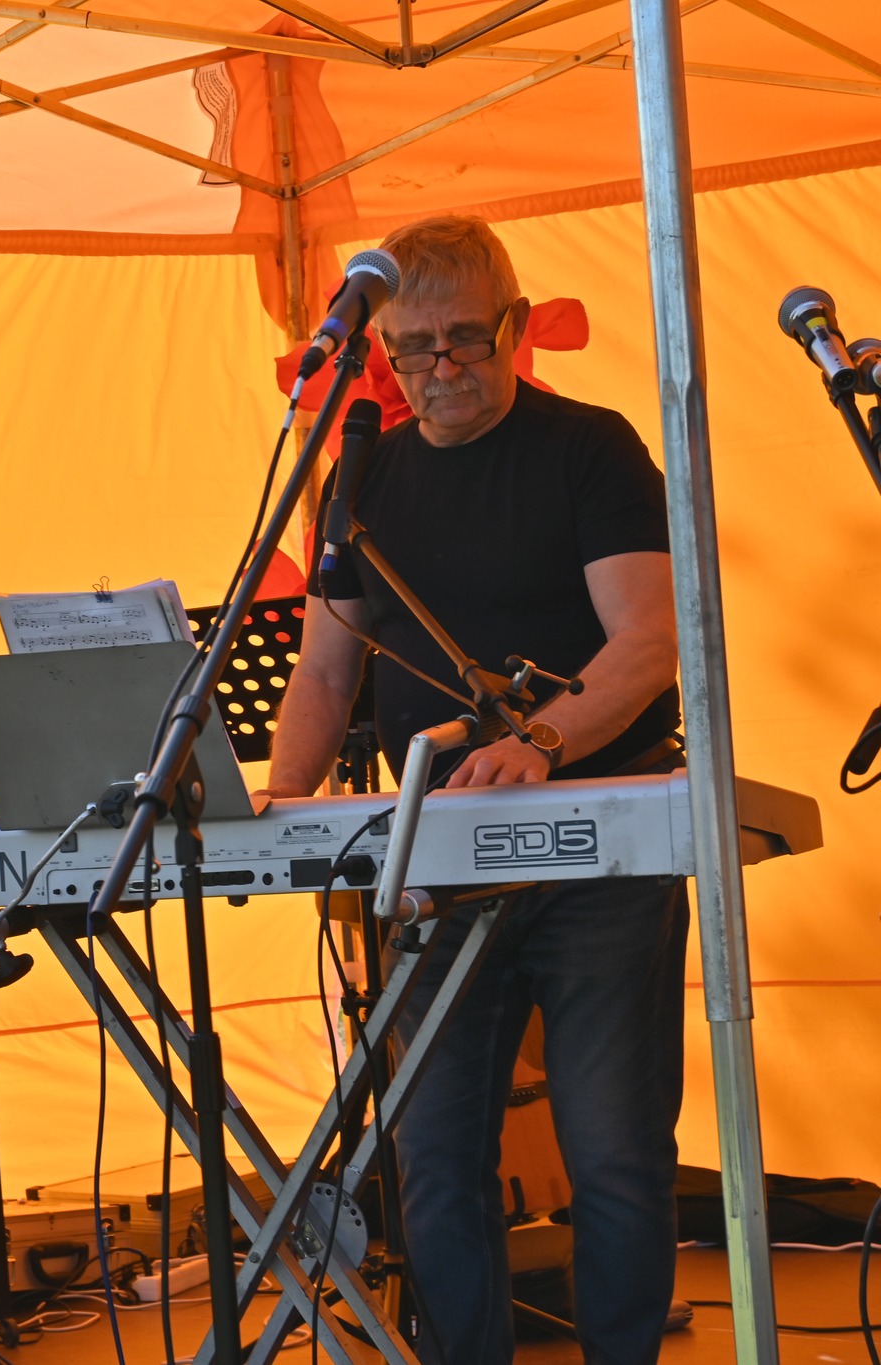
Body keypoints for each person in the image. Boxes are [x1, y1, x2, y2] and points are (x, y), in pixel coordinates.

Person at [262, 216, 684, 1365]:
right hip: (436, 859)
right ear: (380, 352)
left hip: (600, 843)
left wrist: (541, 738)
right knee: (434, 1155)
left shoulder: (588, 449)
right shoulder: (362, 476)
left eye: (463, 339)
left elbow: (649, 642)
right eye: (411, 348)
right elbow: (322, 671)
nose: (439, 367)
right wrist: (281, 803)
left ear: (513, 326)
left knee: (612, 1152)